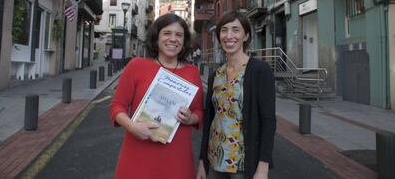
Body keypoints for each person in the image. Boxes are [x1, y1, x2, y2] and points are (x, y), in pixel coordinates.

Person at [110, 13, 204, 179]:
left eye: (179, 35)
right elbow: (117, 106)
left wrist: (190, 119)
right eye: (167, 33)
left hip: (177, 160)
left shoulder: (192, 72)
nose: (173, 39)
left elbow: (199, 112)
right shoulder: (137, 66)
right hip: (138, 156)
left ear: (184, 41)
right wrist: (132, 127)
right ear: (156, 37)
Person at [197, 11, 276, 179]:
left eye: (235, 30)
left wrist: (263, 168)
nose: (229, 35)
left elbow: (268, 121)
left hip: (242, 164)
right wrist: (202, 161)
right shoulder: (215, 75)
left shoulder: (260, 70)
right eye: (224, 30)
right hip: (215, 160)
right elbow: (210, 119)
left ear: (246, 35)